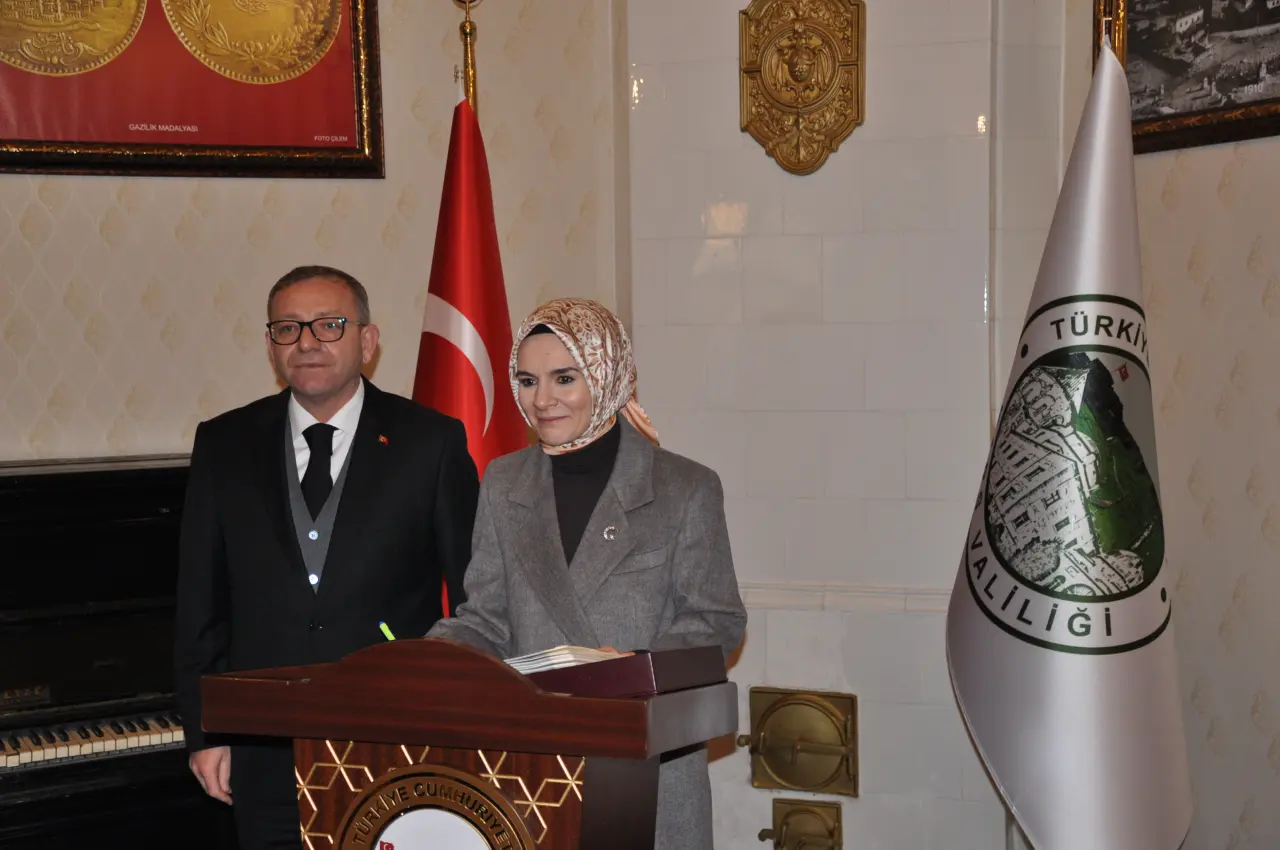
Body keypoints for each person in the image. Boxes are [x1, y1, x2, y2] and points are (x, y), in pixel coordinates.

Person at [174, 265, 480, 850]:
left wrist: (459, 718)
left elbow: (476, 596)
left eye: (329, 325)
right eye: (288, 328)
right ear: (271, 345)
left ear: (368, 341)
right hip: (262, 748)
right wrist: (205, 731)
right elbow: (199, 602)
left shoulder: (431, 441)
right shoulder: (224, 443)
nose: (307, 342)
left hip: (397, 741)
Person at [427, 298, 746, 850]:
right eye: (528, 380)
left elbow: (717, 624)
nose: (541, 400)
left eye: (564, 378)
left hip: (648, 766)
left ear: (606, 375)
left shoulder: (685, 487)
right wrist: (426, 658)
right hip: (530, 770)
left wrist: (631, 672)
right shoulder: (503, 481)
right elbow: (486, 619)